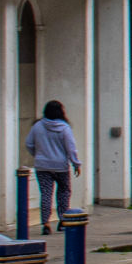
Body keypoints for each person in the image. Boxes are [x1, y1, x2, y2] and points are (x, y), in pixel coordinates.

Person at [28, 100, 79, 235]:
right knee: (64, 192)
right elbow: (71, 148)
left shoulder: (37, 126)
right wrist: (76, 164)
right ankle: (62, 220)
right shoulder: (65, 128)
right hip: (61, 166)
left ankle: (45, 223)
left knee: (46, 193)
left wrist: (38, 155)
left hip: (42, 166)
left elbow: (29, 144)